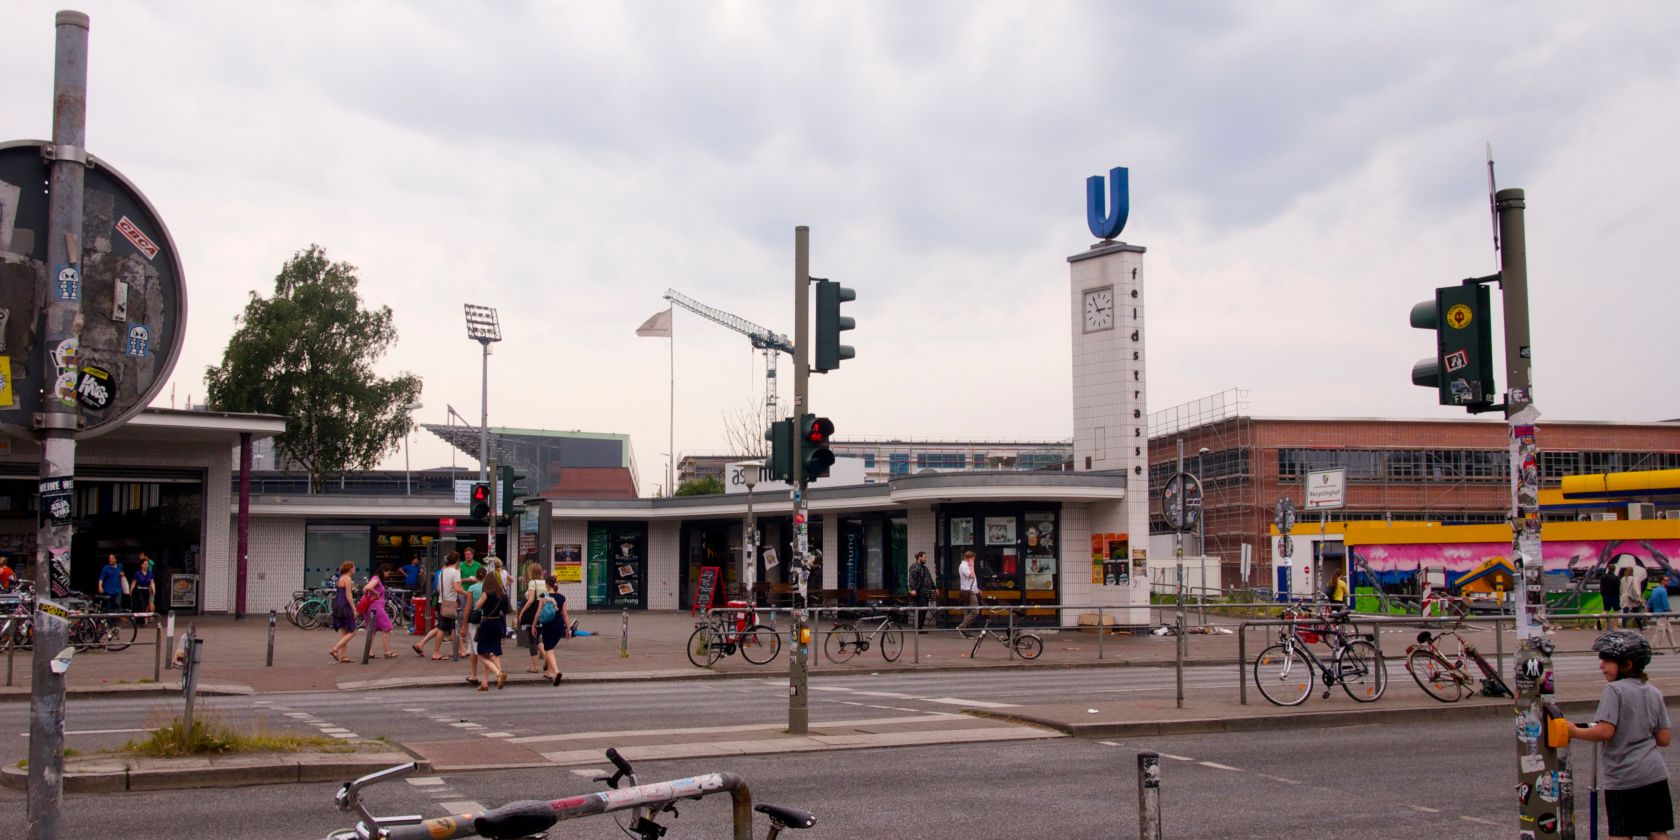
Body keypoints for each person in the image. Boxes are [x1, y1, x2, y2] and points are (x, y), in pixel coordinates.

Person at [1568, 630, 1672, 840]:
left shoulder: (1614, 690)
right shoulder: (1654, 692)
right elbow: (1664, 739)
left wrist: (1573, 731)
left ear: (1627, 664)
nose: (1601, 666)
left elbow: (1605, 731)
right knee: (1657, 831)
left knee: (1621, 833)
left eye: (1606, 661)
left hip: (1624, 776)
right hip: (1654, 774)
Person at [414, 553, 462, 660]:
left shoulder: (442, 572)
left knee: (449, 626)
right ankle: (436, 653)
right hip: (450, 603)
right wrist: (467, 593)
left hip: (441, 602)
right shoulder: (456, 572)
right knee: (442, 628)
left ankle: (456, 650)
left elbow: (439, 589)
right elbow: (457, 588)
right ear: (457, 561)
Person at [531, 573, 571, 686]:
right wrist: (569, 629)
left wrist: (534, 625)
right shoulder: (562, 598)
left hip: (548, 625)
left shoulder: (543, 596)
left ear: (547, 585)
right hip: (559, 625)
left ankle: (556, 672)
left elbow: (538, 612)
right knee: (551, 648)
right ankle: (548, 671)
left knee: (549, 650)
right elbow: (565, 615)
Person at [473, 569, 510, 691]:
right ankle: (485, 683)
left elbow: (477, 606)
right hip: (498, 624)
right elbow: (505, 611)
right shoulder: (502, 595)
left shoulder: (486, 594)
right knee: (492, 652)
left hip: (487, 624)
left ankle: (498, 673)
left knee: (481, 654)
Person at [363, 563, 398, 658]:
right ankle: (387, 651)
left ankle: (370, 652)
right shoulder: (376, 579)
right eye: (388, 573)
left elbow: (366, 588)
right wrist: (376, 593)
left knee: (372, 629)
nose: (388, 575)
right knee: (387, 626)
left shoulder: (375, 578)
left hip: (371, 606)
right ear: (383, 571)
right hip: (376, 607)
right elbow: (367, 587)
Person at [327, 561, 359, 663]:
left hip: (337, 604)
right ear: (350, 569)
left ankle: (344, 656)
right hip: (345, 606)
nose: (355, 569)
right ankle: (335, 649)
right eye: (354, 567)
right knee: (353, 631)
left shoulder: (341, 578)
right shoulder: (348, 579)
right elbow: (349, 595)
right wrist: (354, 609)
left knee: (344, 631)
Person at [519, 562, 548, 673]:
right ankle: (547, 658)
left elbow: (530, 600)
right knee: (538, 638)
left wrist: (522, 611)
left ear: (531, 572)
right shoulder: (544, 583)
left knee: (531, 640)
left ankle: (534, 666)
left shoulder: (532, 582)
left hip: (532, 613)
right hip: (541, 612)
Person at [907, 551, 936, 632]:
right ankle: (918, 628)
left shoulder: (925, 568)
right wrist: (913, 589)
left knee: (924, 609)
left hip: (926, 592)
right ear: (919, 557)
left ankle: (919, 627)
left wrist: (934, 588)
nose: (926, 559)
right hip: (920, 592)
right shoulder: (915, 567)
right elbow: (912, 579)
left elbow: (929, 579)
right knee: (922, 609)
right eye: (924, 557)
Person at [1647, 581, 1677, 653]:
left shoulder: (1655, 590)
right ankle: (1655, 649)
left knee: (1669, 630)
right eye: (1667, 580)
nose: (1669, 582)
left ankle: (1675, 648)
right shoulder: (1663, 591)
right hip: (1662, 613)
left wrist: (1648, 610)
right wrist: (1672, 613)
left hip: (1657, 613)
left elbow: (1650, 602)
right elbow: (1665, 604)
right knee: (1660, 631)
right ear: (1662, 581)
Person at [955, 550, 980, 631]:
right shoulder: (963, 566)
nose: (974, 561)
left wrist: (977, 590)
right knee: (975, 611)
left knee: (967, 611)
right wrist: (972, 565)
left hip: (970, 590)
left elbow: (970, 581)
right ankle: (961, 627)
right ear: (969, 558)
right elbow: (971, 576)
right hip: (968, 592)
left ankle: (964, 629)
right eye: (973, 559)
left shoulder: (967, 566)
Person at [131, 556, 157, 623]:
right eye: (145, 564)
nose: (147, 565)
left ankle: (141, 619)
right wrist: (131, 590)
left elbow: (152, 582)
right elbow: (134, 583)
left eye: (147, 564)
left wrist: (154, 589)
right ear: (141, 565)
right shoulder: (137, 573)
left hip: (146, 590)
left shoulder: (150, 573)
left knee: (145, 605)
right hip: (139, 590)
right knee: (141, 604)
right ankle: (141, 621)